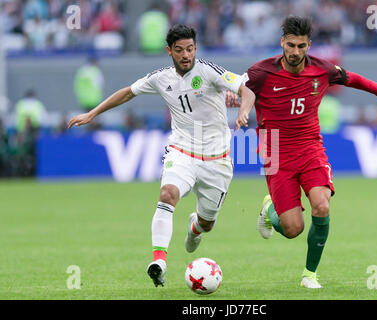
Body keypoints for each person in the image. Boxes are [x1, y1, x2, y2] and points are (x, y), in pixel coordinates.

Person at [67, 24, 255, 287]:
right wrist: (92, 113)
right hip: (182, 151)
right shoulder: (161, 78)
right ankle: (159, 261)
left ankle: (194, 229)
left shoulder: (209, 71)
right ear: (169, 51)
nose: (186, 55)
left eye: (190, 49)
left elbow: (246, 88)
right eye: (179, 50)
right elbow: (127, 93)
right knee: (167, 194)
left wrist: (244, 110)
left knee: (207, 223)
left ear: (195, 48)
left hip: (217, 160)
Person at [239, 16, 377, 289]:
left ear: (309, 45)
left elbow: (350, 78)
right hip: (275, 150)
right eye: (290, 45)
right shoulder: (261, 72)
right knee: (292, 229)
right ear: (282, 43)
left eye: (301, 46)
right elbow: (239, 87)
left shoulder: (322, 69)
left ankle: (309, 275)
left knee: (322, 205)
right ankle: (270, 208)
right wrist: (242, 107)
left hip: (310, 146)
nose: (296, 52)